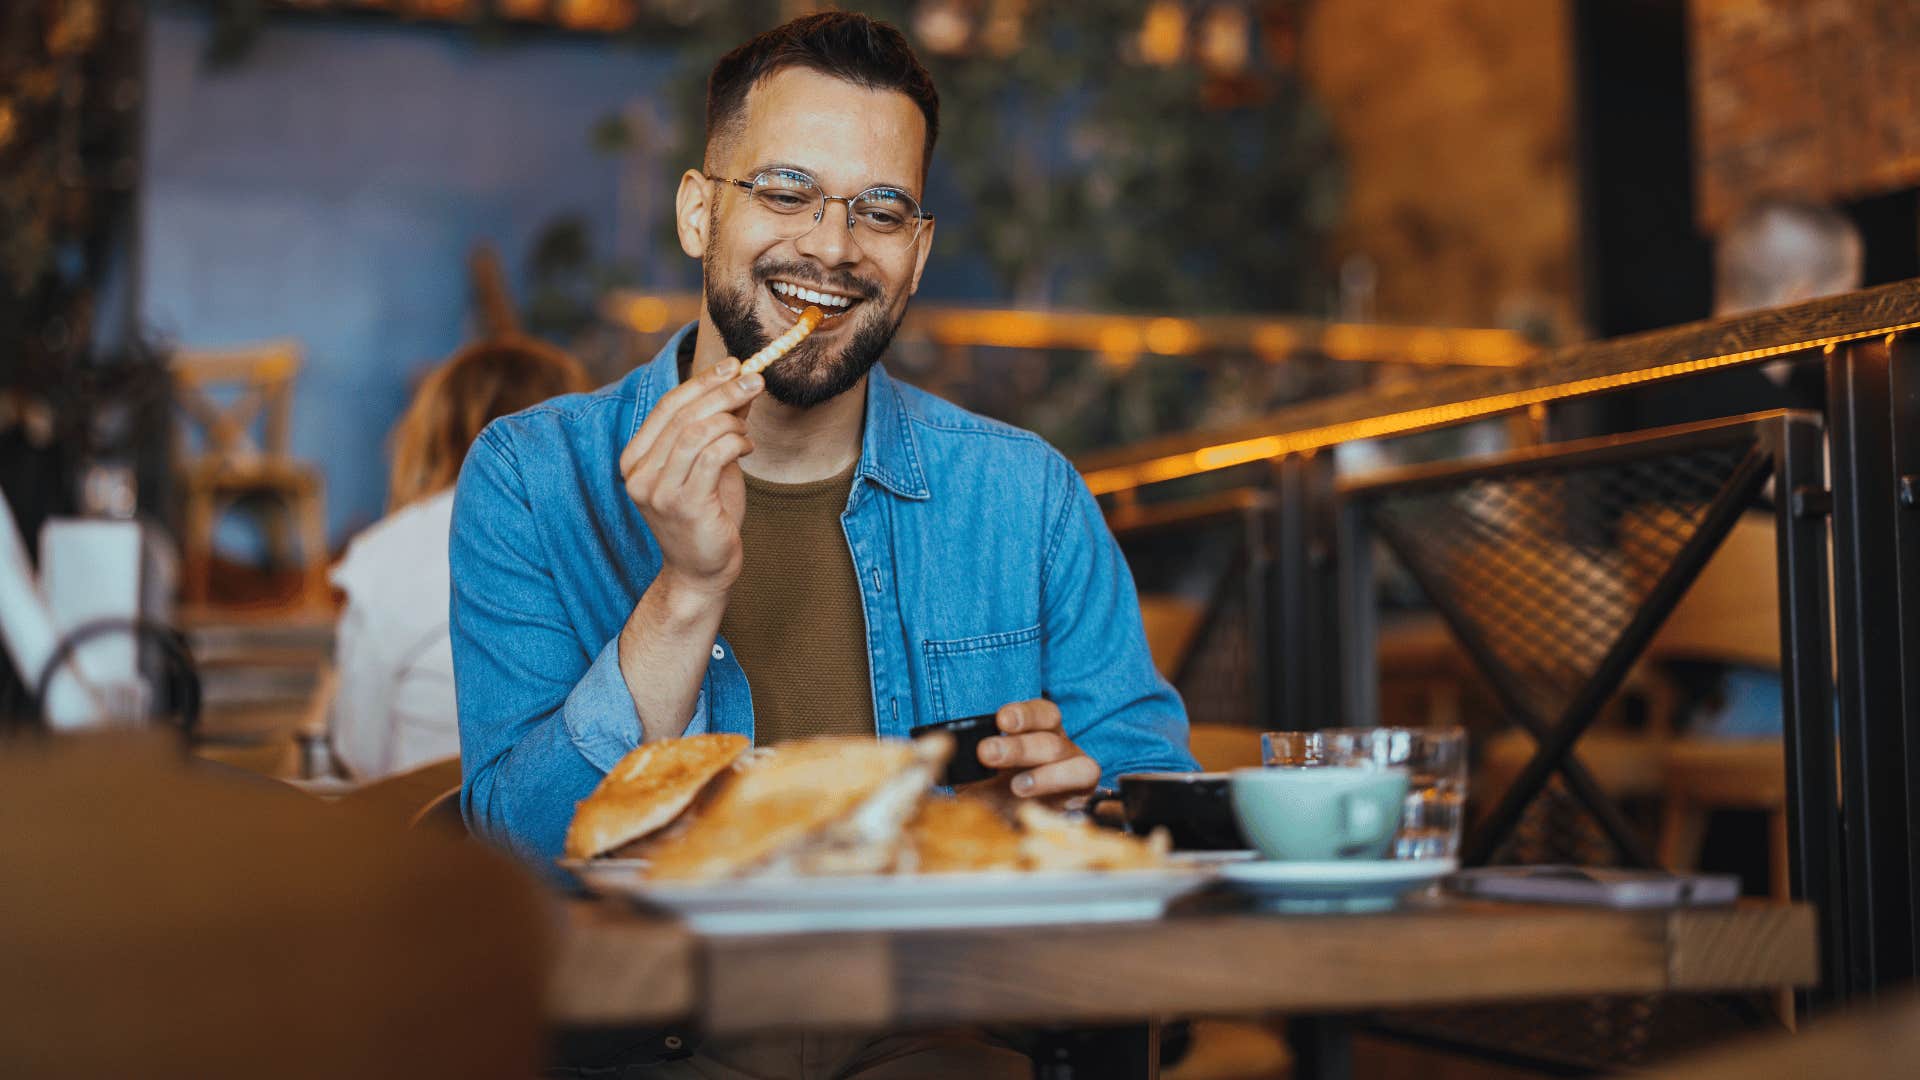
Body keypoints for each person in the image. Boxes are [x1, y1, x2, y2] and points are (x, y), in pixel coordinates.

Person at [450, 17, 1197, 1071]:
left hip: (944, 1045)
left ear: (919, 254)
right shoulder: (532, 479)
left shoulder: (1025, 496)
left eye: (880, 210)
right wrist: (687, 590)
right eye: (787, 192)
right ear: (699, 211)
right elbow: (521, 871)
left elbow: (1154, 830)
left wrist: (1079, 821)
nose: (834, 248)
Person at [329, 338, 589, 780]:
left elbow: (358, 752)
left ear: (431, 433)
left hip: (421, 828)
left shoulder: (385, 553)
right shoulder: (600, 539)